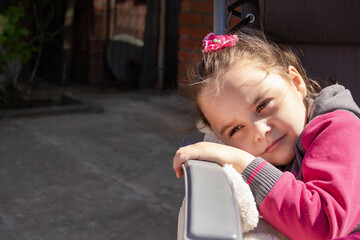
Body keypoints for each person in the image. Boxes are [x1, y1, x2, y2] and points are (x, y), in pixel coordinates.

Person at [173, 29, 360, 239]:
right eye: (236, 129)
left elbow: (322, 224)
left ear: (297, 84)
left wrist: (244, 162)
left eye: (263, 105)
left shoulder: (339, 128)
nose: (260, 132)